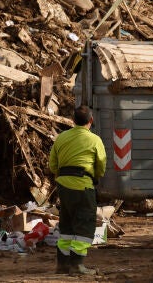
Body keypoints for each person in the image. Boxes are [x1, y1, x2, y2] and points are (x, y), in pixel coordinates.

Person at [49, 105, 107, 275]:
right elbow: (101, 166)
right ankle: (77, 265)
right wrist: (94, 177)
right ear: (91, 120)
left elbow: (53, 165)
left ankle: (62, 265)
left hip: (63, 186)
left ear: (73, 121)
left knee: (66, 225)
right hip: (83, 186)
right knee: (84, 225)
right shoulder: (95, 140)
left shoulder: (61, 138)